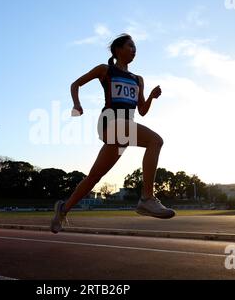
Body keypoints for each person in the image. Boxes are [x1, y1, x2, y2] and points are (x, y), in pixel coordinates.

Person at [51, 34, 175, 234]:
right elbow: (75, 84)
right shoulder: (105, 70)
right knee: (156, 141)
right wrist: (77, 104)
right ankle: (147, 198)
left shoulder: (138, 79)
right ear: (117, 49)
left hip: (124, 132)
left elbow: (142, 110)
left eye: (136, 47)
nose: (134, 50)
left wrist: (151, 96)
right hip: (110, 123)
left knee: (93, 178)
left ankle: (63, 209)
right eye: (130, 46)